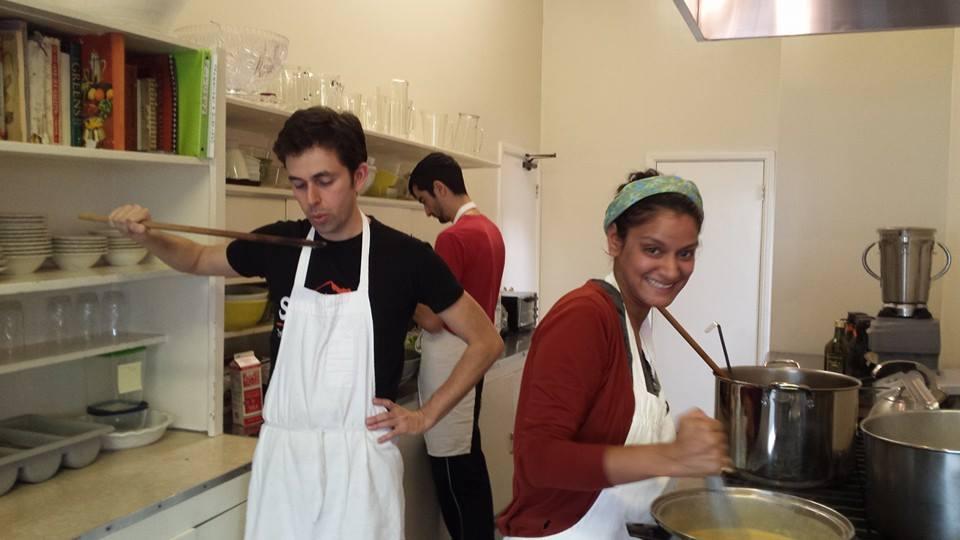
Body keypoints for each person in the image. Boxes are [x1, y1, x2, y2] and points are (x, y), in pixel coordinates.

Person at [108, 107, 504, 540]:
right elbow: (199, 258)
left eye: (324, 181)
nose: (310, 199)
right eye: (298, 184)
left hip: (361, 465)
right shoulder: (282, 244)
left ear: (359, 176)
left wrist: (426, 416)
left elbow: (485, 341)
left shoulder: (406, 257)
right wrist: (149, 238)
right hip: (284, 463)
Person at [496, 170, 731, 539]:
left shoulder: (635, 318)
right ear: (615, 241)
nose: (672, 270)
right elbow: (537, 459)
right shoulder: (584, 317)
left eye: (685, 253)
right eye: (653, 250)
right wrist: (673, 456)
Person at [407, 152, 505, 540]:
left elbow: (434, 318)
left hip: (451, 358)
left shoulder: (453, 237)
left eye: (424, 200)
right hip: (473, 361)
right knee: (470, 464)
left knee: (452, 472)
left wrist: (401, 293)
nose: (427, 212)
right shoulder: (491, 231)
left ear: (440, 188)